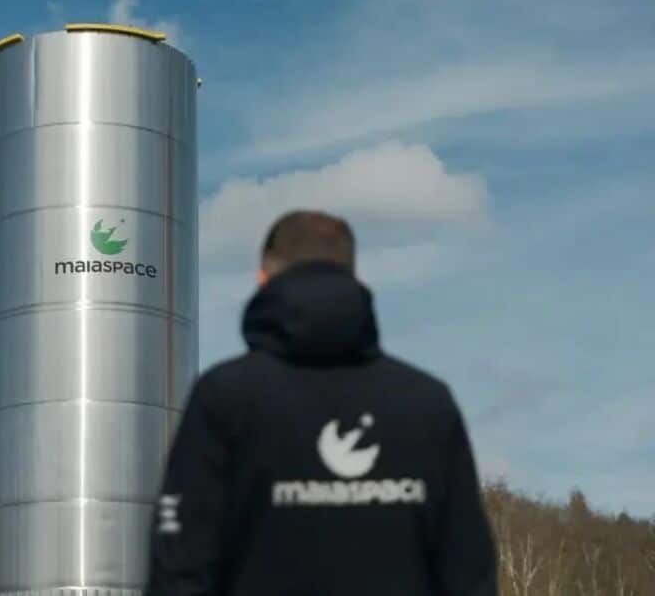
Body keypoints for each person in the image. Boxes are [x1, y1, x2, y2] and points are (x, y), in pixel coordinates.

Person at [145, 210, 497, 596]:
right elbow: (469, 570)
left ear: (262, 279)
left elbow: (179, 567)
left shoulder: (224, 397)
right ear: (358, 281)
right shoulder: (427, 404)